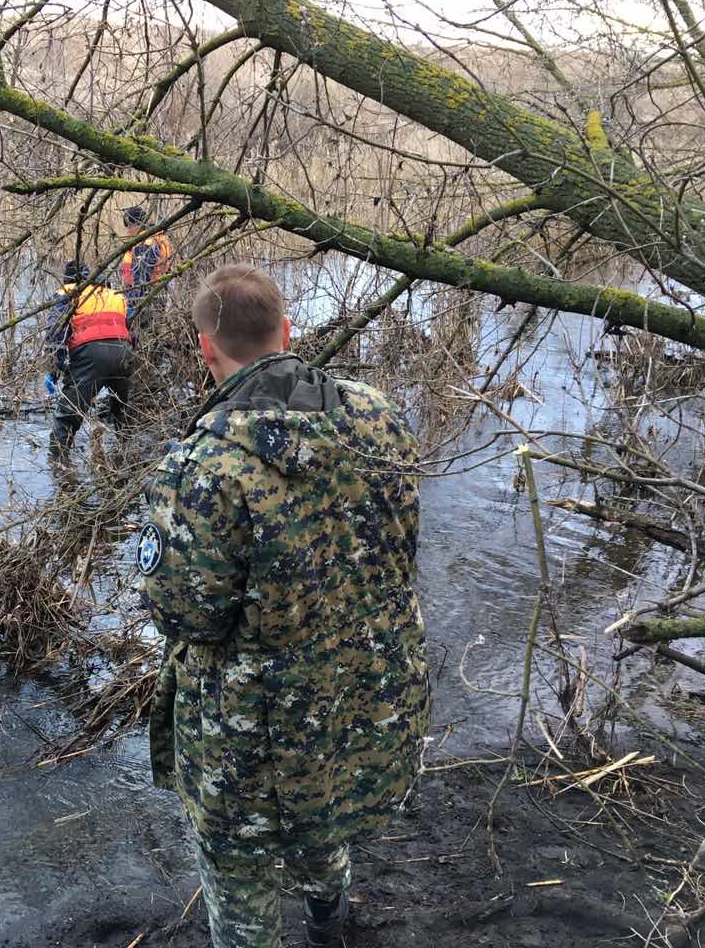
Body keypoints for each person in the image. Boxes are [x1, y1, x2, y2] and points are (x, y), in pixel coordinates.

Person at [139, 264, 430, 948]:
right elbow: (401, 543)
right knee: (320, 811)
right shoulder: (376, 414)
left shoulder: (202, 467)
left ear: (204, 348)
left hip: (254, 726)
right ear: (287, 331)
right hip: (367, 692)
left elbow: (187, 618)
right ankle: (328, 926)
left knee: (239, 873)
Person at [45, 260, 134, 456]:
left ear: (67, 279)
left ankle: (58, 462)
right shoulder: (115, 294)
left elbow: (56, 331)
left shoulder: (67, 293)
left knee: (67, 415)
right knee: (122, 409)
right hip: (123, 352)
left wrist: (55, 368)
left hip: (91, 355)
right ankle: (128, 454)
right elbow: (130, 325)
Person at [118, 205, 174, 327]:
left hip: (146, 299)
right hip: (159, 293)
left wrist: (131, 305)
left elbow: (141, 281)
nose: (128, 231)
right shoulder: (158, 237)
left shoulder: (144, 244)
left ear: (136, 224)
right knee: (157, 328)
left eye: (129, 227)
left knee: (147, 331)